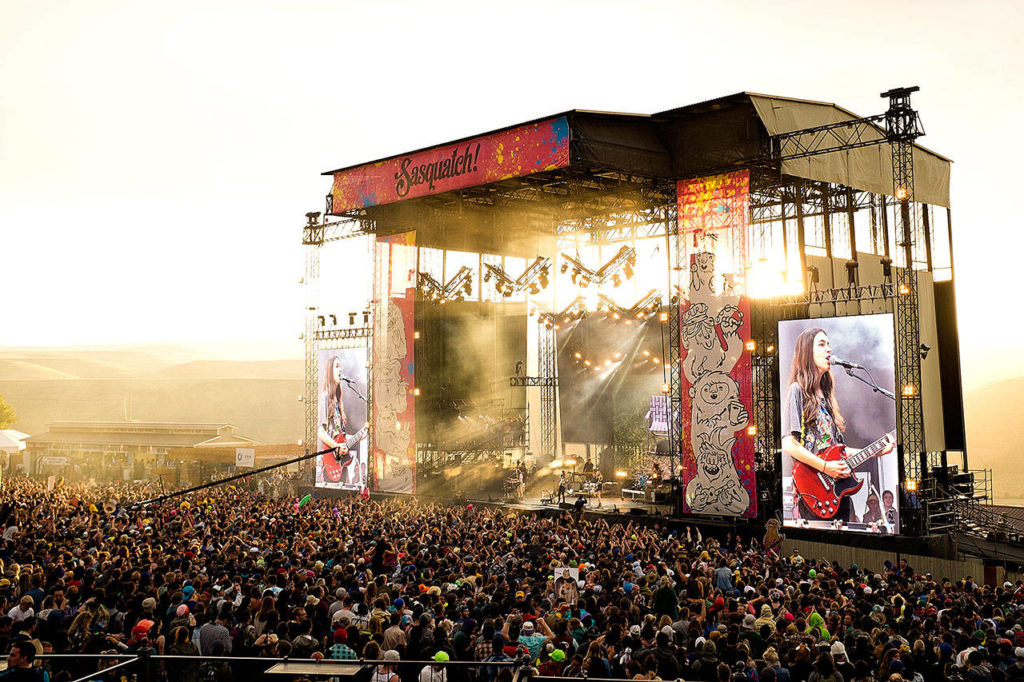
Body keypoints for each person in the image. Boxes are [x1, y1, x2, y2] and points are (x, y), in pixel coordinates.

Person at [318, 355, 367, 487]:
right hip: (331, 457)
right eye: (337, 366)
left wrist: (358, 435)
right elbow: (321, 432)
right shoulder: (325, 397)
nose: (340, 370)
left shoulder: (338, 402)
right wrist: (336, 446)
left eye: (341, 366)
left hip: (340, 459)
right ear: (330, 371)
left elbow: (340, 436)